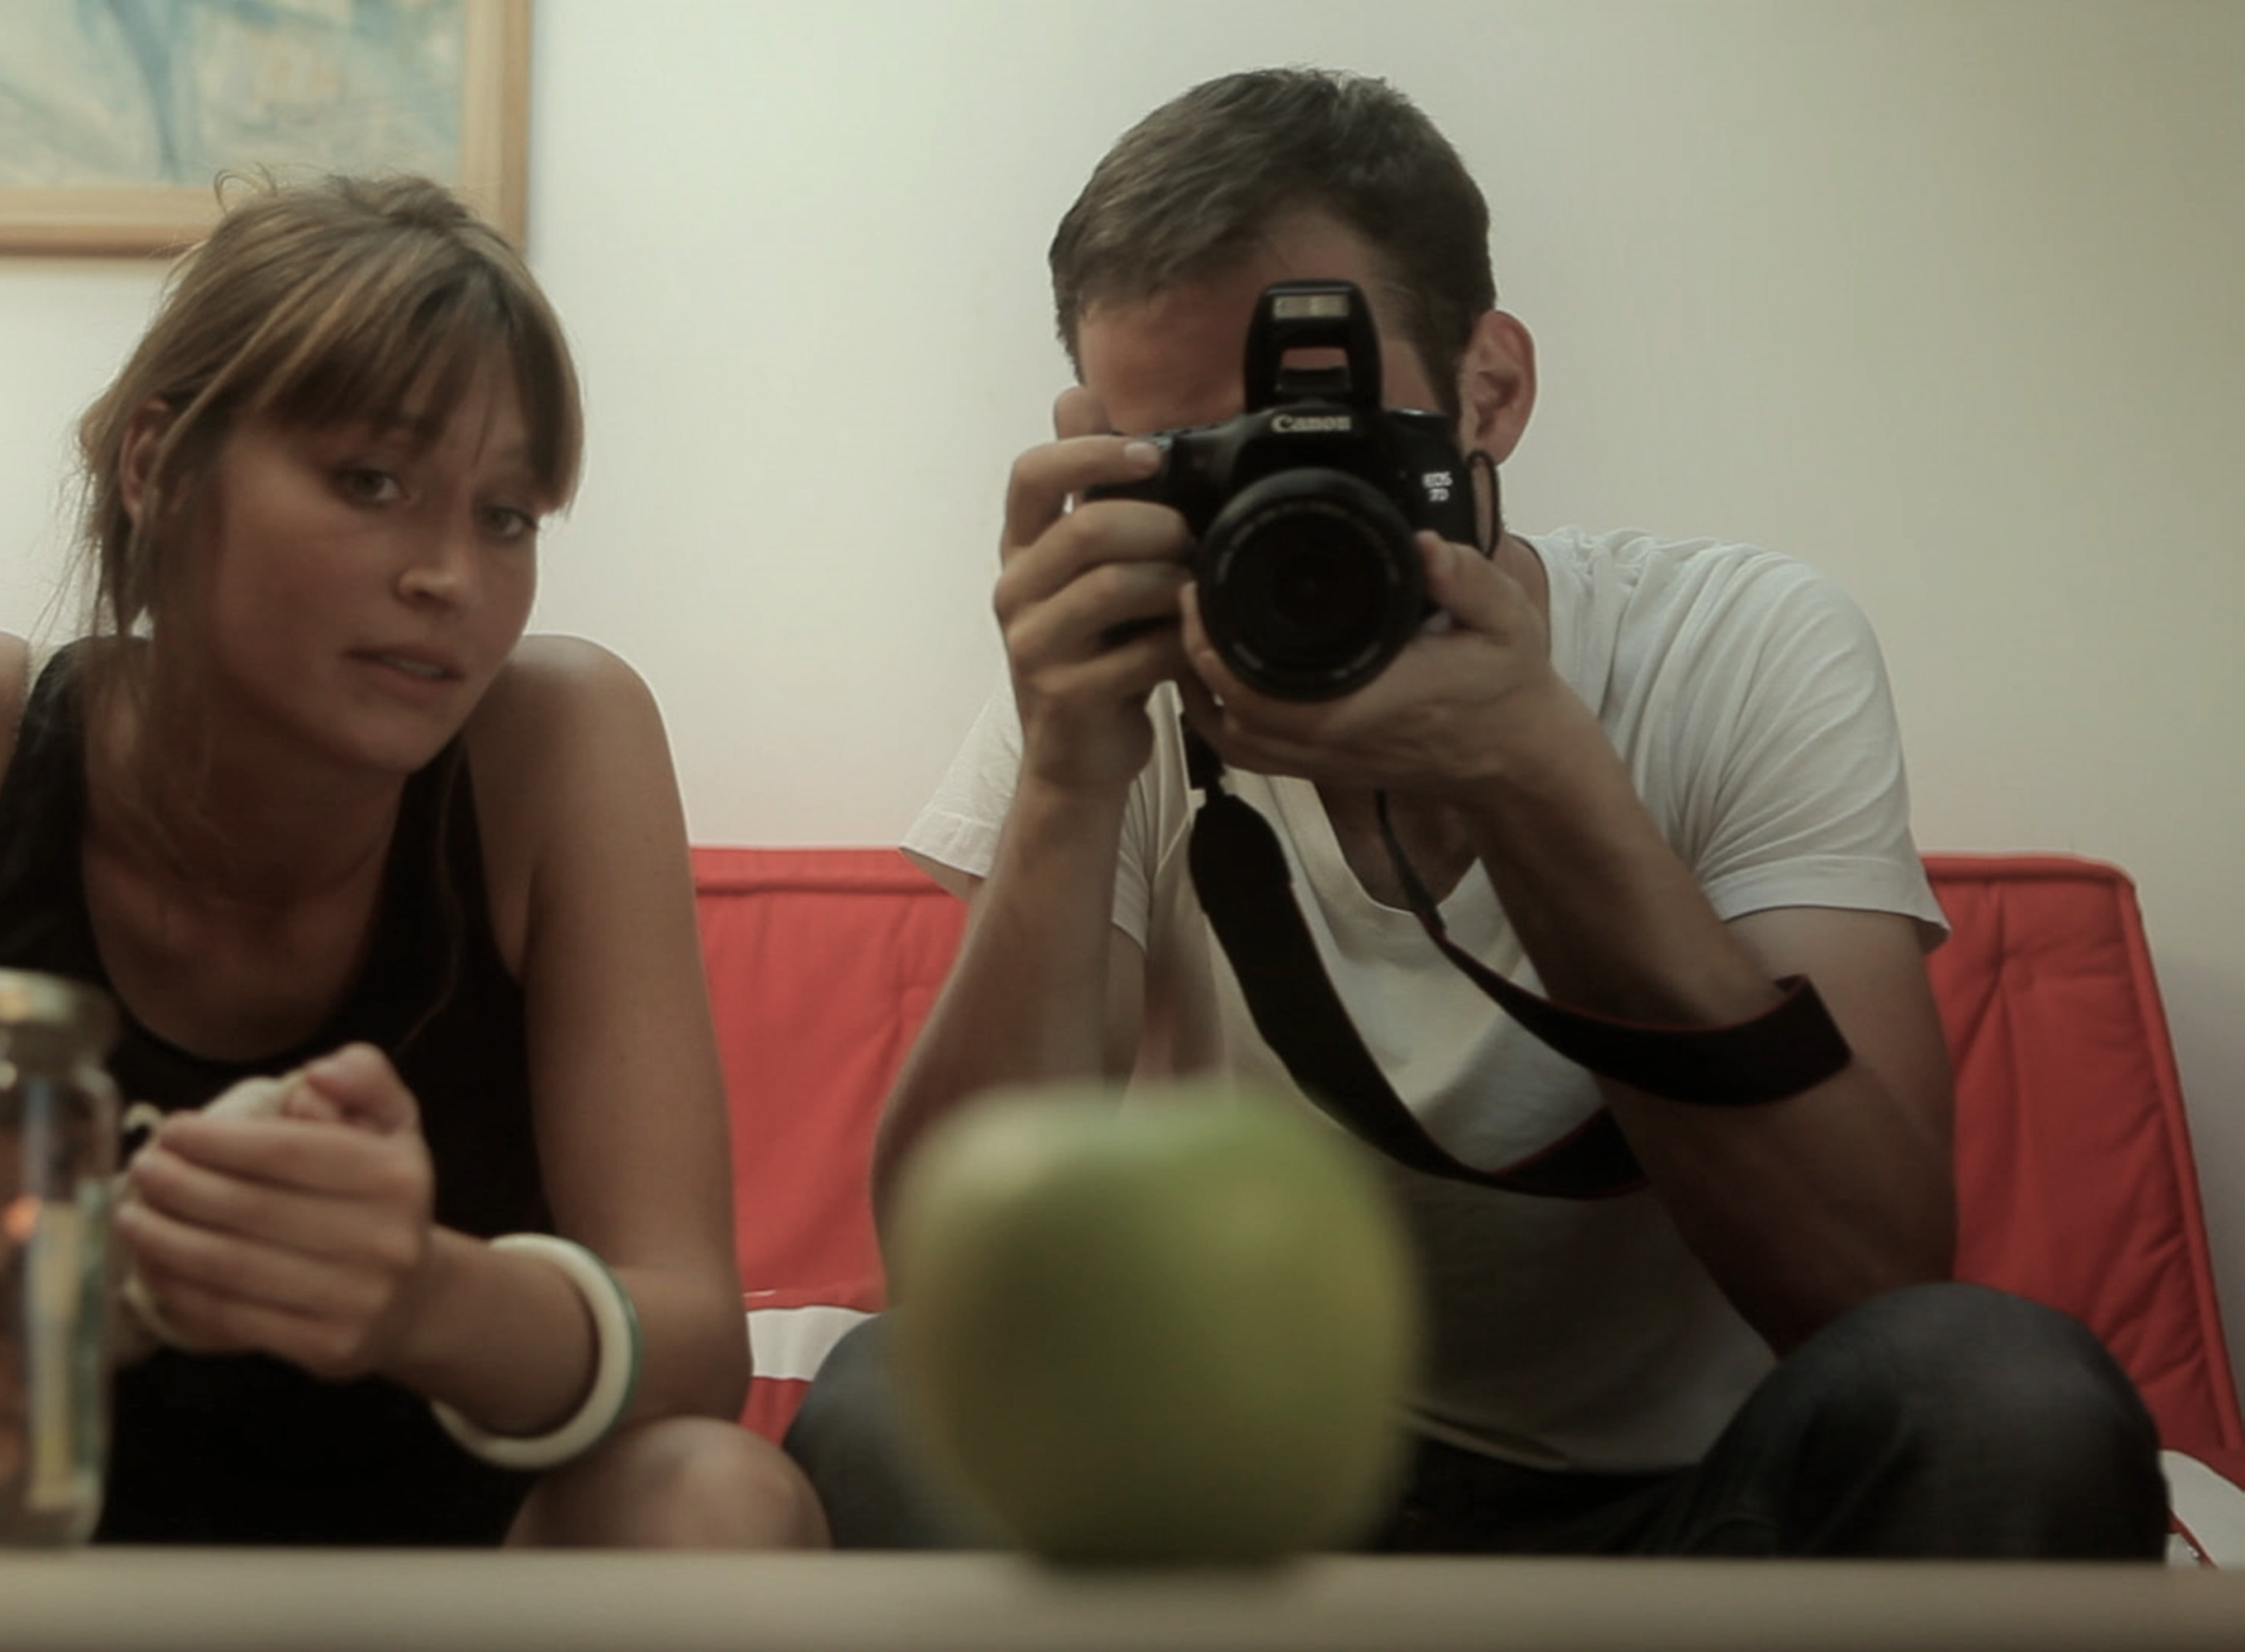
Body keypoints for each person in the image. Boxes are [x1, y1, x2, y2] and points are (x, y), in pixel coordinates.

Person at [785, 68, 2167, 1559]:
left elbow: (1874, 1281)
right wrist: (1068, 777)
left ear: (1489, 389)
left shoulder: (1735, 644)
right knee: (891, 1401)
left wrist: (1534, 772)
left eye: (1319, 438)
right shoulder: (1109, 687)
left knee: (2003, 1398)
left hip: (1695, 1508)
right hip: (1247, 1502)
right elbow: (954, 1281)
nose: (1275, 517)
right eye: (1206, 465)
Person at [0, 174, 825, 1550]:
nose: (450, 575)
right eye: (371, 482)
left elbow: (692, 1339)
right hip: (10, 1565)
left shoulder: (557, 743)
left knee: (717, 1498)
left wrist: (422, 1297)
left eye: (506, 516)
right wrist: (141, 1269)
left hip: (467, 1575)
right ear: (160, 466)